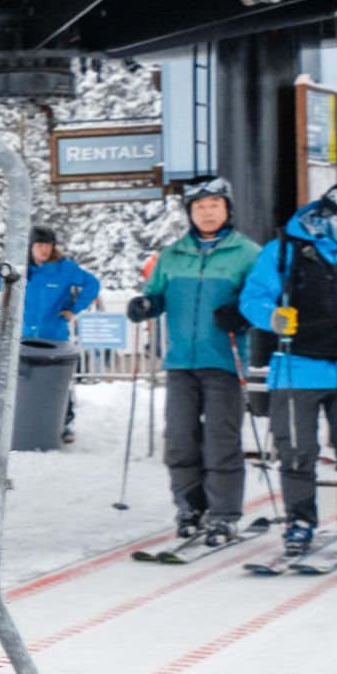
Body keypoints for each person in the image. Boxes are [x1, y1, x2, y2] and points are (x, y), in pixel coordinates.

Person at [233, 185, 337, 562]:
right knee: (296, 453)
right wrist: (271, 317)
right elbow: (252, 298)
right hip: (297, 368)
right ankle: (299, 521)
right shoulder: (284, 251)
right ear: (335, 220)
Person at [130, 178, 262, 543]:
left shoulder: (248, 253)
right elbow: (154, 293)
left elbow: (262, 298)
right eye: (200, 207)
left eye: (214, 205)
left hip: (224, 359)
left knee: (221, 439)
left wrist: (243, 315)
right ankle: (189, 508)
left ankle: (222, 514)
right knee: (180, 439)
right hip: (180, 362)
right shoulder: (173, 254)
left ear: (227, 209)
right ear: (190, 213)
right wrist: (145, 305)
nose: (207, 212)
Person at [0, 226, 100, 443]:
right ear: (30, 247)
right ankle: (23, 424)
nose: (45, 249)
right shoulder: (21, 269)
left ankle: (65, 424)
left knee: (57, 384)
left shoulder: (63, 268)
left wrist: (73, 310)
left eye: (48, 245)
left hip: (54, 337)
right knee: (24, 384)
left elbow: (92, 284)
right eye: (40, 245)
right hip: (24, 337)